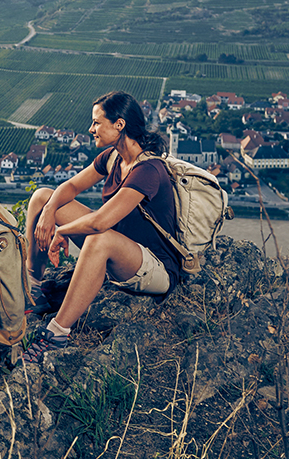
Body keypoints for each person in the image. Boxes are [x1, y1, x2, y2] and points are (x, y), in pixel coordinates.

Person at [21, 90, 181, 363]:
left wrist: (61, 231)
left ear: (119, 125)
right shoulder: (113, 158)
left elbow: (100, 222)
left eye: (96, 122)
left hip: (155, 267)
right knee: (42, 197)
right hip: (118, 246)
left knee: (100, 238)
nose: (90, 128)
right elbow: (70, 186)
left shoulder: (148, 171)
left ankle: (56, 334)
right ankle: (33, 289)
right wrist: (49, 212)